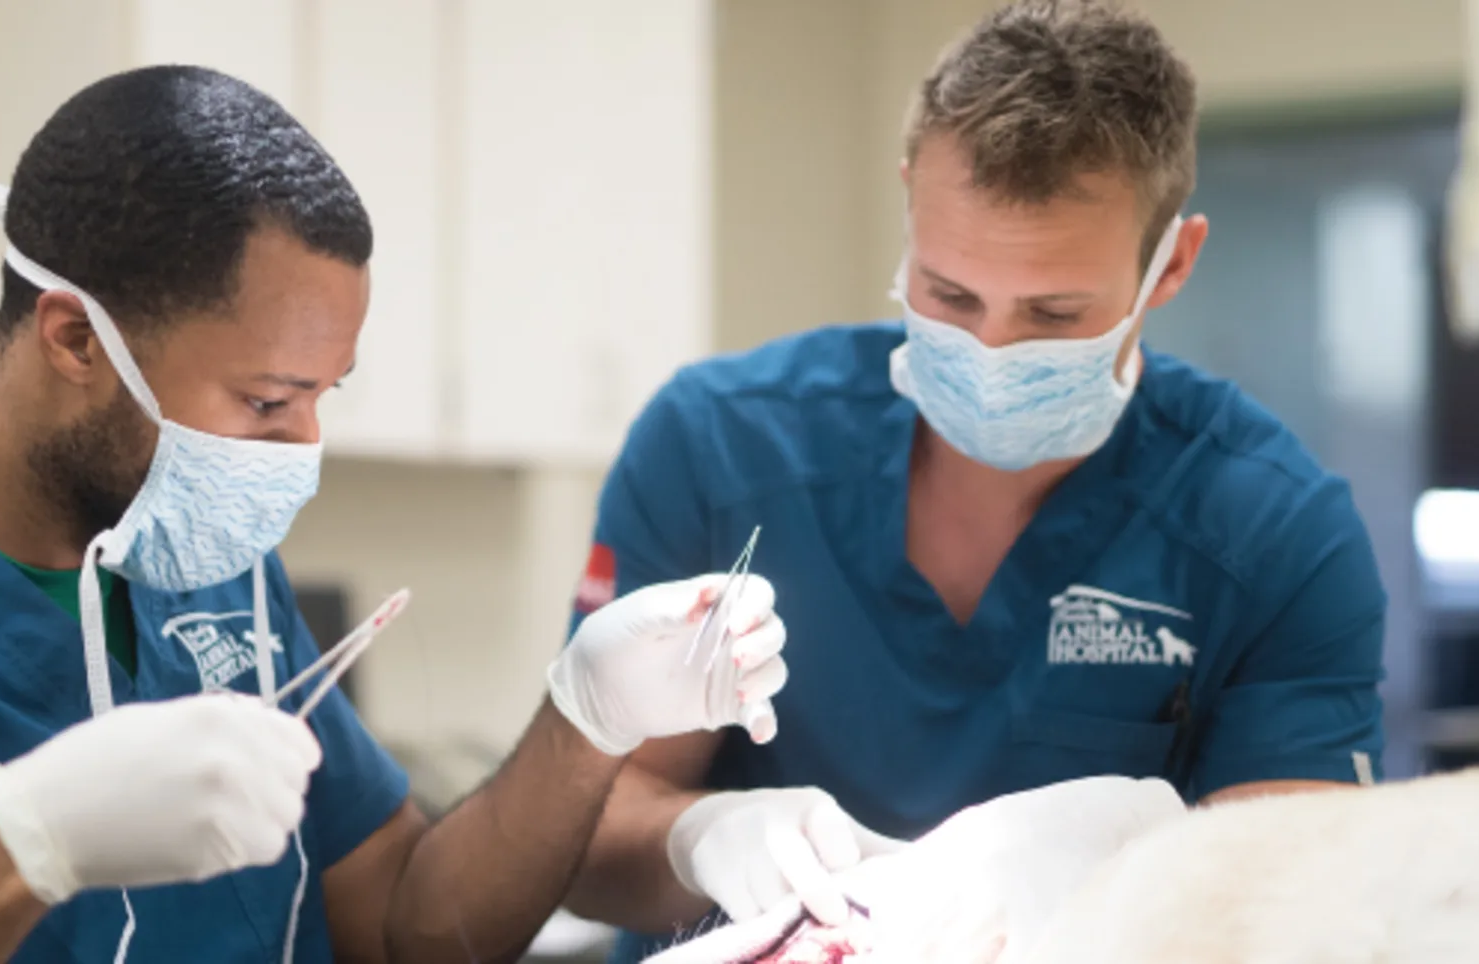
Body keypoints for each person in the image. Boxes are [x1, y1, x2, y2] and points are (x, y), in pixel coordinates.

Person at [0, 66, 791, 964]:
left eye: (321, 397)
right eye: (265, 398)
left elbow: (410, 925)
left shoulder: (203, 564)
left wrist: (586, 719)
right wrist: (20, 847)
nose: (301, 447)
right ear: (75, 339)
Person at [561, 2, 1389, 960]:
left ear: (1171, 267)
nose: (989, 351)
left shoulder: (1280, 534)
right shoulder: (719, 447)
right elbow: (580, 843)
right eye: (950, 295)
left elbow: (1290, 913)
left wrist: (1114, 879)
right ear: (911, 202)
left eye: (1052, 312)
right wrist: (698, 840)